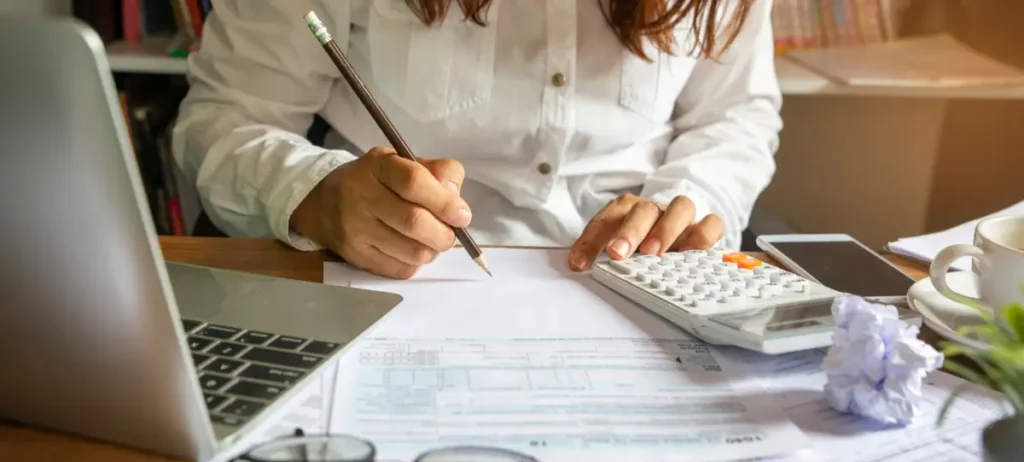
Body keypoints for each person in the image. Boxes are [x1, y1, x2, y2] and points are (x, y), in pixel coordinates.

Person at [173, 0, 781, 279]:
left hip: (644, 283)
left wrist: (686, 203)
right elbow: (224, 118)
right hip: (383, 280)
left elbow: (736, 115)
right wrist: (316, 196)